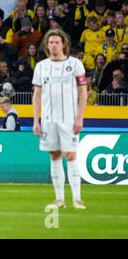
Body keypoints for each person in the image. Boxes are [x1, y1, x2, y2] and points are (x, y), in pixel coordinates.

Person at [32, 29, 87, 210]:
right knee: (54, 155)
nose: (54, 45)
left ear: (63, 44)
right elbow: (37, 94)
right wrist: (36, 120)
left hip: (69, 119)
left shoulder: (75, 64)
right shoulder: (41, 66)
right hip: (48, 120)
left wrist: (80, 118)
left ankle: (77, 199)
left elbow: (83, 92)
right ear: (47, 46)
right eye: (51, 42)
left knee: (71, 155)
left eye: (57, 42)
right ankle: (59, 199)